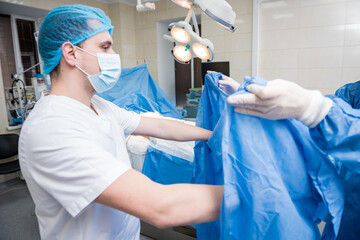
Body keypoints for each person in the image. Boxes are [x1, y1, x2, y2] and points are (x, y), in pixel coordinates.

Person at [19, 5, 223, 240]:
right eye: (105, 47)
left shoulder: (99, 106)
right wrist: (255, 194)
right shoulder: (52, 129)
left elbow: (159, 126)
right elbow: (160, 207)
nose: (114, 55)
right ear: (71, 53)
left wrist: (213, 134)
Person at [217, 73, 360, 239]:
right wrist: (254, 96)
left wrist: (315, 109)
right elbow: (329, 115)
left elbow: (327, 114)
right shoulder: (353, 92)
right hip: (348, 209)